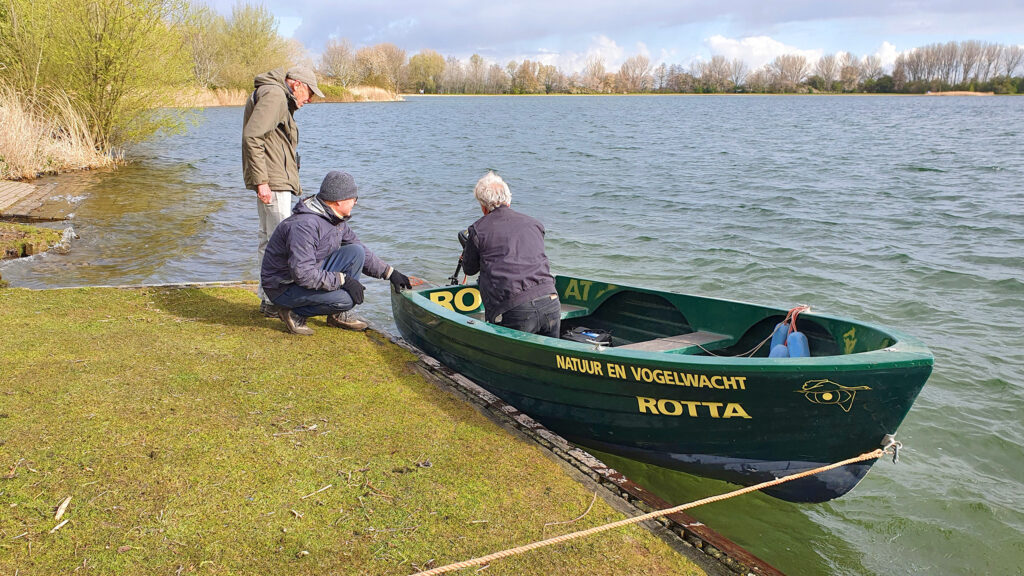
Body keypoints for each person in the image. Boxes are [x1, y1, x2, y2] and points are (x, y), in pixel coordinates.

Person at [260, 171, 412, 336]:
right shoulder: (305, 225)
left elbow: (358, 247)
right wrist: (343, 280)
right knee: (346, 299)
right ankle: (294, 313)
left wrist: (390, 273)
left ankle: (336, 316)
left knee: (355, 251)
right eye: (354, 198)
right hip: (283, 286)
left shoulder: (333, 218)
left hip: (304, 275)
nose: (355, 202)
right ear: (339, 201)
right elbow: (302, 274)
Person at [242, 65, 324, 318]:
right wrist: (262, 181)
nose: (309, 100)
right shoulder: (276, 95)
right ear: (297, 84)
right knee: (282, 243)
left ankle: (268, 299)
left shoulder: (273, 93)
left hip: (273, 179)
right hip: (273, 181)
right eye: (309, 93)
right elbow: (252, 136)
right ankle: (279, 301)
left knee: (268, 241)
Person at [461, 171, 560, 337]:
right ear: (508, 199)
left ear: (483, 206)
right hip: (550, 299)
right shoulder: (534, 224)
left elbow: (469, 269)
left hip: (514, 309)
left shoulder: (478, 230)